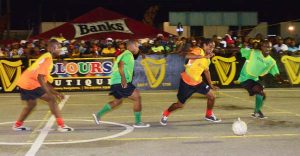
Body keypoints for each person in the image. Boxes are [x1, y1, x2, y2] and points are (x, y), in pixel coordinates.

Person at [13, 39, 74, 132]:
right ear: (53, 48)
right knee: (52, 99)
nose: (60, 50)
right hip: (30, 82)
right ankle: (61, 125)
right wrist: (50, 94)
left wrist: (56, 92)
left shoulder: (47, 57)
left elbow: (44, 81)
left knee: (31, 105)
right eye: (59, 47)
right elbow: (40, 78)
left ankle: (17, 125)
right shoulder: (48, 58)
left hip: (25, 81)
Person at [160, 39, 221, 126]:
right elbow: (187, 55)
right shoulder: (198, 50)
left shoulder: (207, 60)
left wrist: (211, 85)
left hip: (198, 83)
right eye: (210, 46)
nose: (211, 49)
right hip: (186, 83)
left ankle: (208, 114)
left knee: (212, 96)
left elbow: (206, 71)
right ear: (204, 45)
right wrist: (203, 56)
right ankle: (166, 113)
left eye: (213, 47)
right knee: (179, 105)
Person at [92, 40, 150, 128]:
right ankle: (138, 122)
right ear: (132, 46)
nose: (138, 47)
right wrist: (123, 79)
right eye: (137, 46)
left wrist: (141, 53)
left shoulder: (125, 54)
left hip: (115, 82)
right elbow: (120, 65)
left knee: (117, 101)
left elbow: (137, 53)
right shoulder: (127, 55)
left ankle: (98, 114)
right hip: (121, 81)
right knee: (137, 97)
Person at [238, 40, 289, 119]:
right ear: (261, 47)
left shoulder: (271, 61)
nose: (268, 48)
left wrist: (282, 81)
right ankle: (257, 111)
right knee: (259, 89)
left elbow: (276, 74)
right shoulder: (253, 53)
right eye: (265, 46)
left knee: (262, 95)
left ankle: (256, 112)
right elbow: (241, 50)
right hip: (245, 77)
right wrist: (241, 45)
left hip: (254, 79)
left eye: (269, 47)